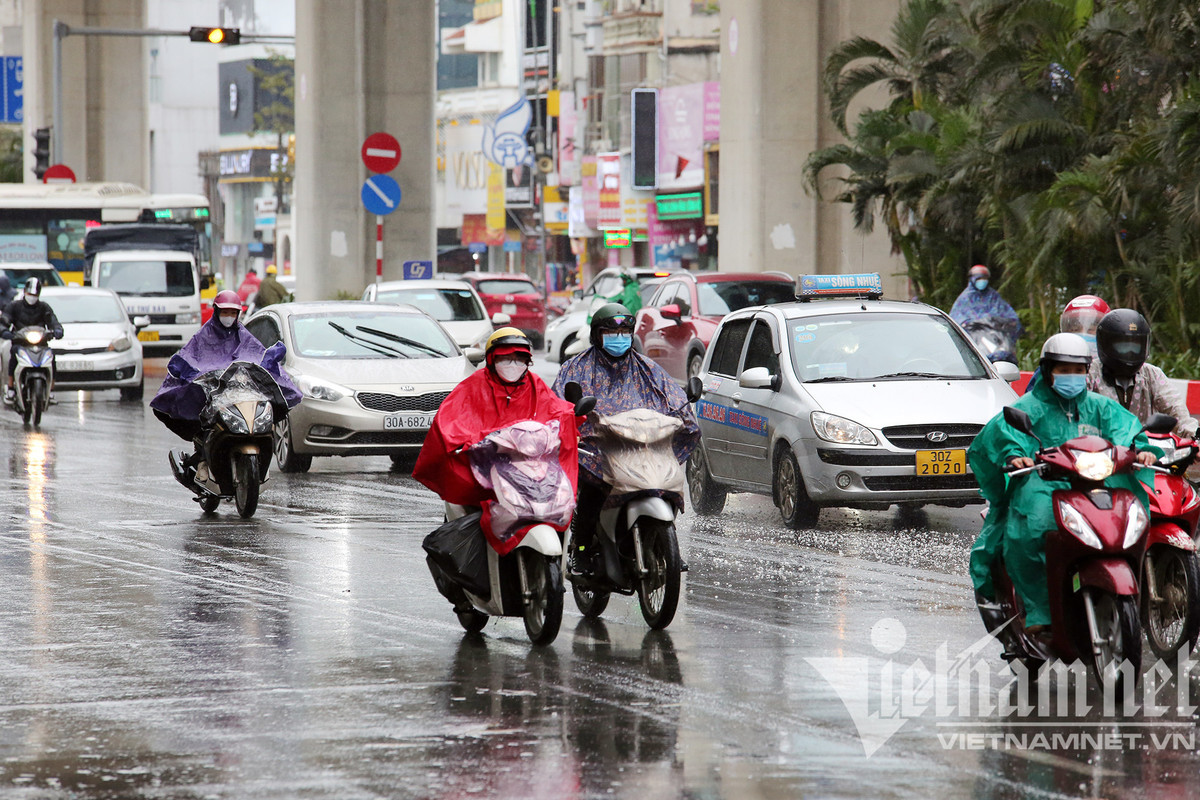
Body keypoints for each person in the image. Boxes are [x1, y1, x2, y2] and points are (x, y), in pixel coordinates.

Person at [968, 333, 1157, 642]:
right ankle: (1039, 610)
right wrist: (1014, 456)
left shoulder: (1100, 406)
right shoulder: (1029, 407)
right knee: (1033, 528)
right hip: (1043, 484)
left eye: (1078, 370)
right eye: (1064, 370)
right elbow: (1004, 435)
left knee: (1128, 519)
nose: (1072, 376)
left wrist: (1143, 450)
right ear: (1048, 370)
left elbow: (1128, 431)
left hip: (1096, 481)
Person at [551, 302, 701, 574]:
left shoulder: (648, 368)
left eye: (624, 333)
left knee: (664, 486)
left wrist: (683, 414)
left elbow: (673, 397)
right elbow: (559, 405)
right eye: (611, 332)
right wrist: (576, 421)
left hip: (643, 446)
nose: (618, 338)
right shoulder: (576, 368)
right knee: (593, 489)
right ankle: (581, 551)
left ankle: (666, 545)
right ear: (597, 335)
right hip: (600, 449)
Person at [413, 328, 580, 546]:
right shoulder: (473, 386)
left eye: (519, 359)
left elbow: (558, 412)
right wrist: (469, 441)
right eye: (505, 358)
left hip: (528, 468)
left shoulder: (535, 385)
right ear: (492, 359)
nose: (513, 364)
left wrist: (574, 423)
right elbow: (450, 419)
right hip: (485, 468)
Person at [150, 290, 300, 479]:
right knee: (202, 418)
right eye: (225, 312)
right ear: (216, 311)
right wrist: (191, 372)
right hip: (214, 395)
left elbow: (257, 354)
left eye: (232, 313)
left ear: (238, 314)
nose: (228, 317)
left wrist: (268, 361)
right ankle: (203, 457)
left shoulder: (243, 335)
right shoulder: (204, 335)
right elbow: (189, 356)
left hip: (240, 394)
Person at [1088, 308, 1197, 438]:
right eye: (1123, 345)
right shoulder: (1091, 372)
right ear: (1105, 343)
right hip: (1100, 446)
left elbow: (1176, 410)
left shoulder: (1152, 374)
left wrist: (1195, 435)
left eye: (1135, 346)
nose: (1130, 353)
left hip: (1145, 447)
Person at [1, 278, 63, 404]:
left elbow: (53, 321)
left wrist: (57, 330)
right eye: (30, 294)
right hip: (21, 344)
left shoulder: (44, 307)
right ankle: (11, 388)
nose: (32, 297)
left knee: (51, 358)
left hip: (41, 345)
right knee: (13, 356)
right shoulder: (14, 306)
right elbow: (4, 321)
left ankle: (50, 390)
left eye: (35, 295)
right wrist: (5, 331)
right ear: (25, 292)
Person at [949, 264, 1021, 344]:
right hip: (975, 341)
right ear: (972, 279)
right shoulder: (965, 298)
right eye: (979, 278)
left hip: (997, 338)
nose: (982, 281)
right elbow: (956, 320)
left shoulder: (993, 296)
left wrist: (1007, 322)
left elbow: (1009, 315)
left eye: (984, 278)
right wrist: (970, 324)